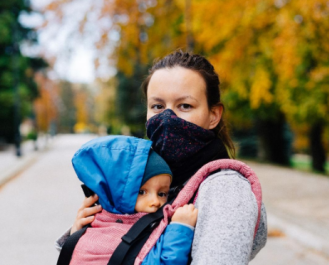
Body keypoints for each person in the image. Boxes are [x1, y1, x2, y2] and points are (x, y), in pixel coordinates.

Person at [59, 50, 268, 264]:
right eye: (158, 106)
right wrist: (83, 235)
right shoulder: (151, 176)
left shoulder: (225, 189)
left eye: (185, 106)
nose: (168, 118)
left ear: (213, 115)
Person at [61, 135, 197, 265]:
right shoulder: (98, 236)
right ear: (115, 193)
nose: (155, 201)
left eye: (162, 194)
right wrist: (181, 228)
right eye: (142, 192)